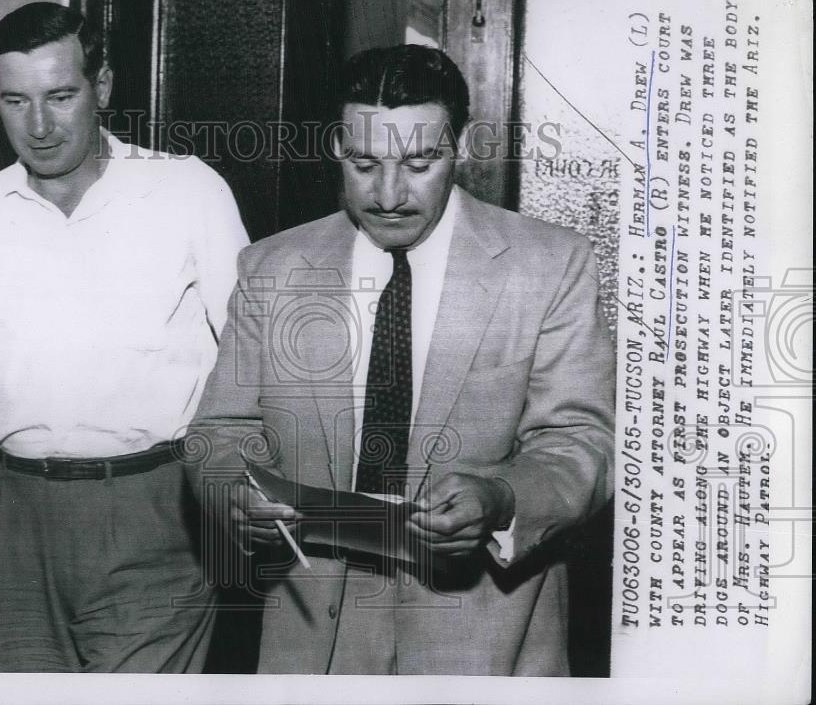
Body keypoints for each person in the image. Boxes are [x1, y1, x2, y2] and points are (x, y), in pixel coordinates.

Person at [186, 44, 615, 675]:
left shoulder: (549, 265)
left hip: (486, 637)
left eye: (419, 162)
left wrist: (500, 497)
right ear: (337, 147)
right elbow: (220, 432)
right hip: (314, 633)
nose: (389, 195)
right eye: (365, 164)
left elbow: (581, 442)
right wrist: (232, 494)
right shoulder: (272, 268)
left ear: (461, 149)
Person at [0, 1, 249, 673]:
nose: (39, 126)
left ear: (101, 86)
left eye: (61, 96)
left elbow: (252, 365)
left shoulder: (187, 193)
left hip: (156, 512)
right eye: (16, 101)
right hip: (17, 517)